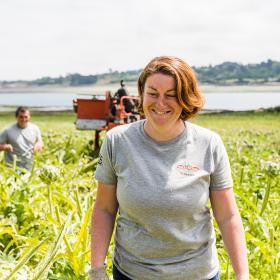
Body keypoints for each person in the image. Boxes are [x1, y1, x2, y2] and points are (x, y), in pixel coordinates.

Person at [90, 56, 249, 280]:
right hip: (131, 273)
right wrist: (96, 268)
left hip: (197, 274)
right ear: (142, 94)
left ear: (186, 98)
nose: (161, 103)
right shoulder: (116, 141)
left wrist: (243, 275)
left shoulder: (209, 144)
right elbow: (104, 209)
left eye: (172, 95)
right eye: (153, 93)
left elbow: (228, 216)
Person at [0, 106, 43, 171]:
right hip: (12, 168)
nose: (23, 119)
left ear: (29, 117)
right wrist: (4, 147)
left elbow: (40, 142)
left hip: (29, 167)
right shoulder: (8, 130)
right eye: (21, 117)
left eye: (26, 117)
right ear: (16, 117)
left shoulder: (35, 129)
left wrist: (39, 144)